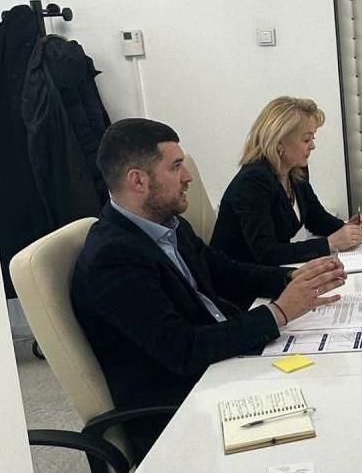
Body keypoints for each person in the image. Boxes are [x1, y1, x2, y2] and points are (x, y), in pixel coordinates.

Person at [71, 118, 347, 460]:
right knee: (325, 435)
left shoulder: (167, 226)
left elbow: (225, 270)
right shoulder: (113, 257)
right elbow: (183, 349)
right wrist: (279, 312)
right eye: (176, 167)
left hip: (220, 368)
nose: (188, 176)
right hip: (183, 408)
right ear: (137, 180)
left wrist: (293, 279)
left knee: (332, 388)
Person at [212, 97, 362, 266]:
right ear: (279, 143)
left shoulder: (295, 170)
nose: (312, 146)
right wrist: (329, 243)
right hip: (239, 276)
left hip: (271, 271)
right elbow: (267, 253)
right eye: (306, 140)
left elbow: (315, 217)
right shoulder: (253, 181)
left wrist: (347, 228)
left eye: (313, 139)